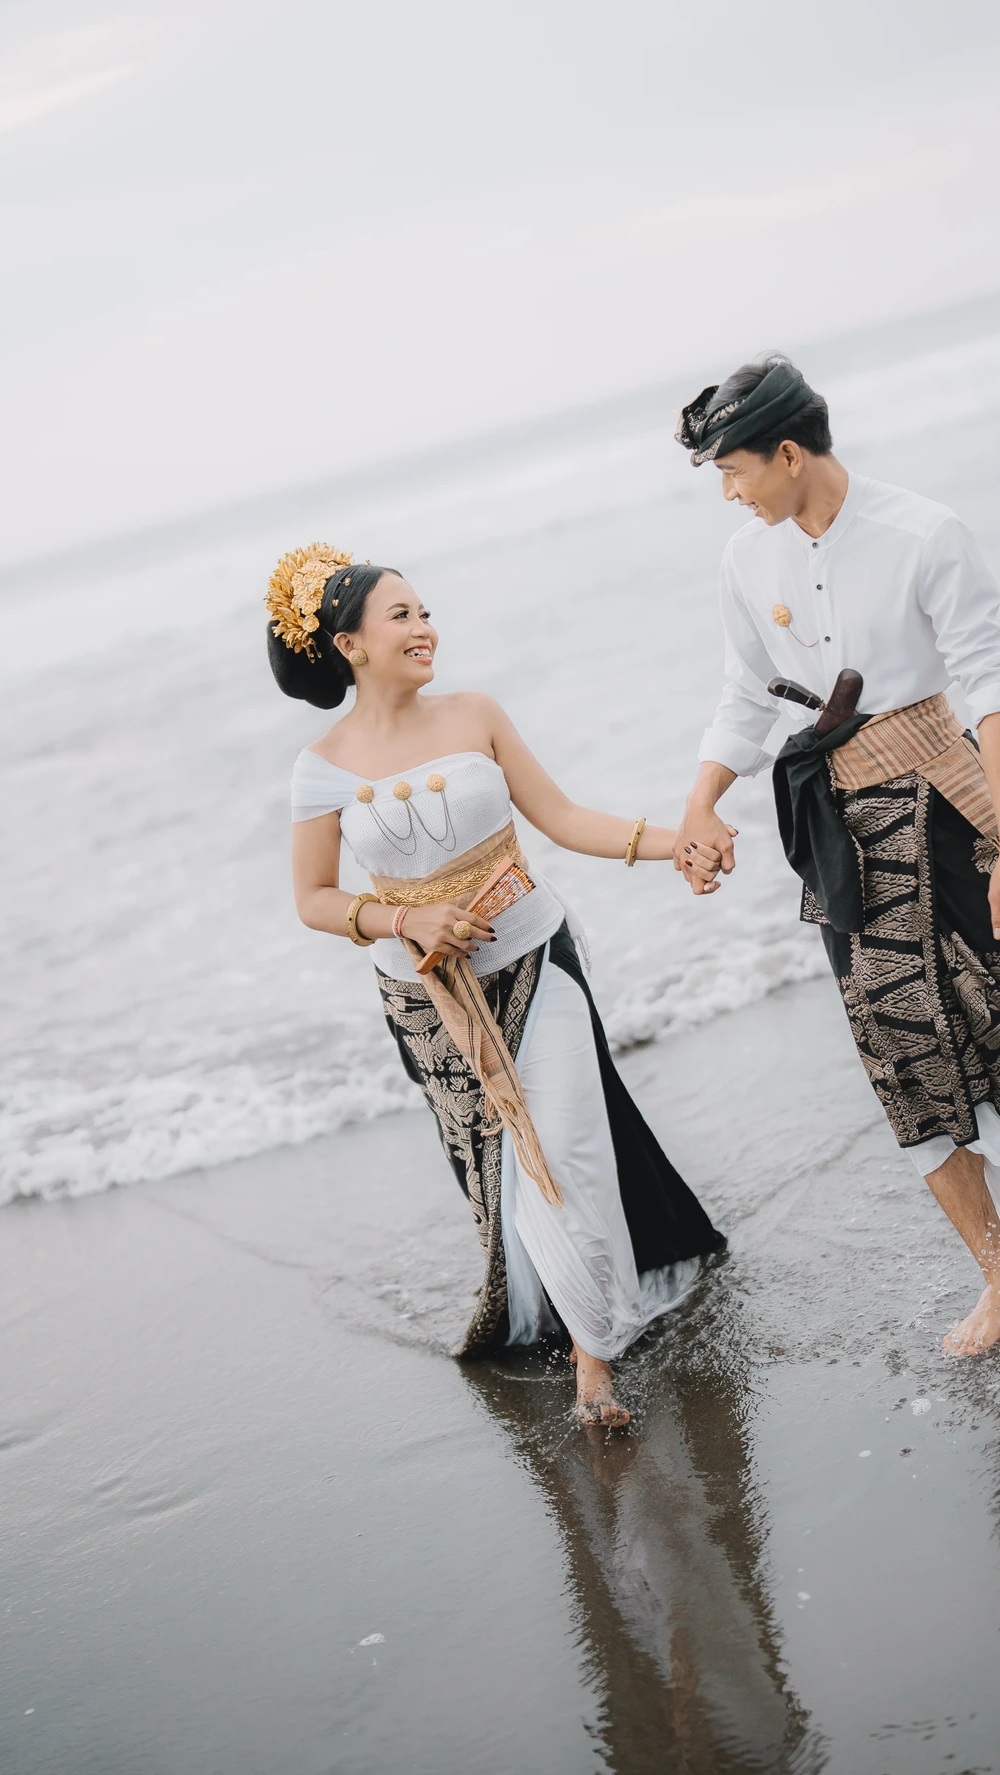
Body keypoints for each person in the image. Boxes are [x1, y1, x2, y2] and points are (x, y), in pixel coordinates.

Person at [672, 355, 1000, 1356]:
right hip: (840, 831)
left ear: (788, 453)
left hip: (946, 798)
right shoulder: (744, 559)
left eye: (733, 471)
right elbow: (745, 693)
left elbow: (992, 690)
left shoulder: (924, 534)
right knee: (896, 1046)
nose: (728, 494)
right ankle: (999, 1274)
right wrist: (699, 802)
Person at [266, 543, 725, 1425]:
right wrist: (404, 921)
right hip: (427, 1002)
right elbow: (313, 899)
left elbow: (563, 818)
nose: (424, 628)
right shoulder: (319, 768)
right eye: (401, 616)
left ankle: (594, 1364)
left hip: (535, 959)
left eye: (425, 612)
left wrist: (680, 844)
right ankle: (564, 1307)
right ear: (349, 644)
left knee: (567, 1147)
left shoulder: (475, 713)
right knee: (506, 1168)